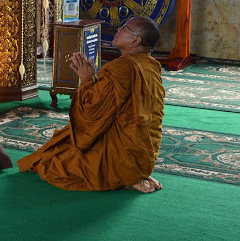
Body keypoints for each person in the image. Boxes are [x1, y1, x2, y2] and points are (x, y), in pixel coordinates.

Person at [18, 16, 166, 193]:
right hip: (143, 155)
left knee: (51, 163)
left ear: (136, 40)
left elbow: (91, 112)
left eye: (125, 28)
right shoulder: (151, 66)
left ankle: (125, 175)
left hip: (122, 158)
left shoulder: (120, 69)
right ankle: (136, 172)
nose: (118, 29)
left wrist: (87, 79)